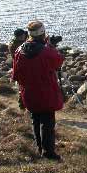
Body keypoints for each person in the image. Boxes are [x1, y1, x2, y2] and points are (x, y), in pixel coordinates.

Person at [12, 21, 64, 161]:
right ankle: (49, 152)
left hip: (29, 92)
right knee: (47, 123)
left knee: (35, 119)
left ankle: (39, 148)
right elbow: (58, 61)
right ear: (43, 34)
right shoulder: (47, 51)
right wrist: (52, 47)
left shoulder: (19, 51)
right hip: (46, 93)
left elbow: (16, 75)